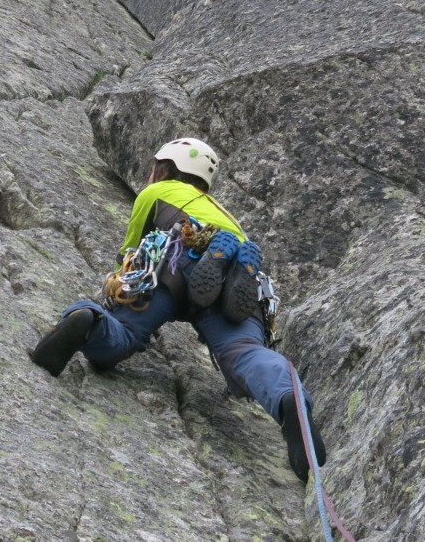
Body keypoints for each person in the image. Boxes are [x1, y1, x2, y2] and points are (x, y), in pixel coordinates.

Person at [29, 137, 328, 482]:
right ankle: (289, 401)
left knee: (123, 330)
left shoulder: (156, 192)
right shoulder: (226, 215)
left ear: (165, 168)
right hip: (237, 269)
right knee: (245, 351)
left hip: (172, 255)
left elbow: (130, 255)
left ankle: (88, 321)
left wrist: (123, 295)